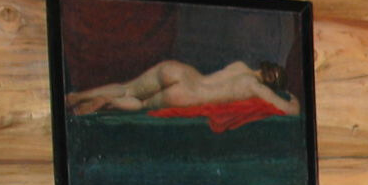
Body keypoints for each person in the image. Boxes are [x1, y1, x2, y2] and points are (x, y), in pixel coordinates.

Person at [66, 60, 299, 116]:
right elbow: (290, 110)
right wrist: (293, 100)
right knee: (142, 105)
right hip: (188, 94)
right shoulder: (254, 87)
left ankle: (77, 97)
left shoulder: (240, 65)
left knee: (128, 88)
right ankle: (109, 102)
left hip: (181, 71)